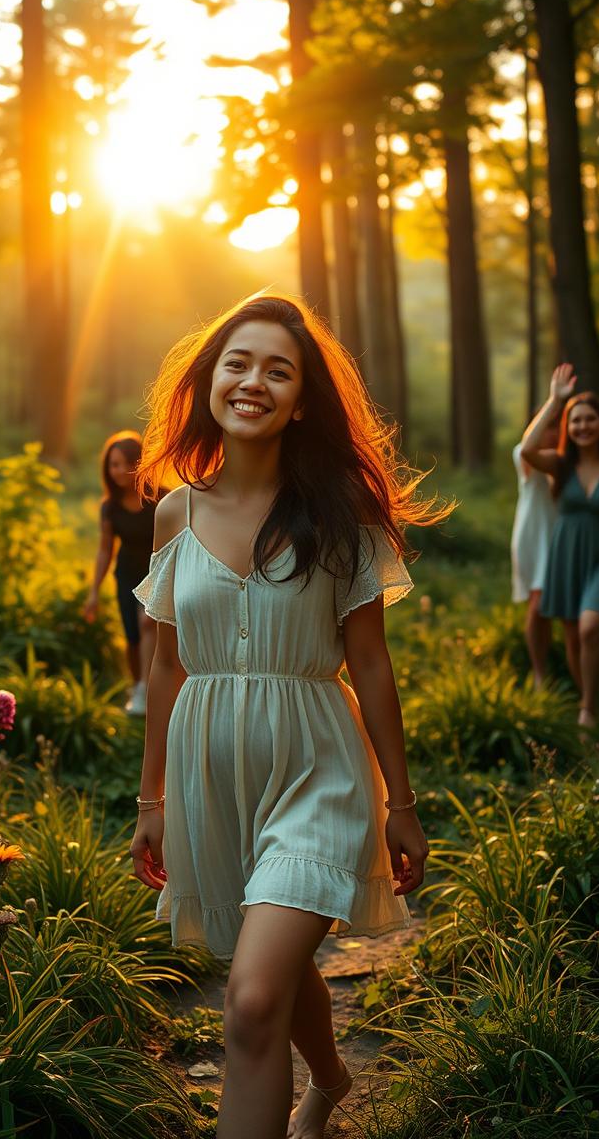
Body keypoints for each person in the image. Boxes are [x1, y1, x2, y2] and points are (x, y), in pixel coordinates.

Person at [129, 293, 443, 1139]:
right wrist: (150, 800)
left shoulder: (338, 511)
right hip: (212, 777)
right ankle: (332, 1080)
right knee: (270, 963)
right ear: (209, 384)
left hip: (318, 767)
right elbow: (166, 663)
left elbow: (370, 663)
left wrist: (402, 807)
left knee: (253, 995)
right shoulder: (174, 513)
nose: (253, 381)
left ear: (301, 399)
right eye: (238, 363)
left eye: (278, 370)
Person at [520, 364, 599, 732]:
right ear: (568, 428)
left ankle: (588, 708)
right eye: (576, 421)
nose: (582, 426)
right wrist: (556, 403)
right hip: (567, 556)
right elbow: (526, 449)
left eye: (590, 420)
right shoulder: (561, 465)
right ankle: (588, 698)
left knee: (589, 628)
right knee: (573, 634)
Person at [84, 430, 158, 714]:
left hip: (156, 572)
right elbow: (105, 550)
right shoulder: (110, 508)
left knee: (148, 624)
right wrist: (93, 592)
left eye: (125, 463)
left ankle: (149, 689)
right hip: (126, 574)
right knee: (132, 636)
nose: (118, 471)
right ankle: (138, 684)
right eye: (113, 464)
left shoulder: (159, 497)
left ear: (140, 463)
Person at [510, 422, 558, 687]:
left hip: (558, 539)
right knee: (538, 604)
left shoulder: (564, 461)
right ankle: (540, 672)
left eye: (556, 427)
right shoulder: (524, 455)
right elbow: (528, 447)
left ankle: (552, 665)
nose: (552, 433)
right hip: (533, 537)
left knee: (552, 609)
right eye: (547, 426)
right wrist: (555, 401)